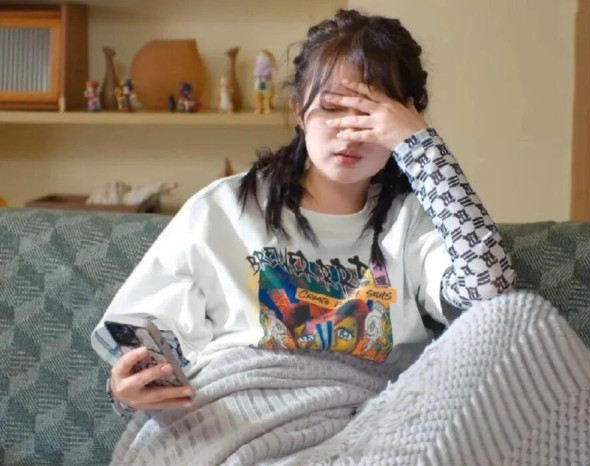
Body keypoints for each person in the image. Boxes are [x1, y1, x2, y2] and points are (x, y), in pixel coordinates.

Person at [91, 8, 516, 420]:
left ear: (404, 118)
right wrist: (125, 392)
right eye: (332, 108)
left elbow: (490, 294)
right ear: (299, 110)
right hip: (243, 416)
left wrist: (420, 145)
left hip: (368, 426)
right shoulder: (223, 209)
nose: (349, 131)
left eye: (370, 113)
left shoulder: (412, 222)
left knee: (533, 324)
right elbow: (142, 348)